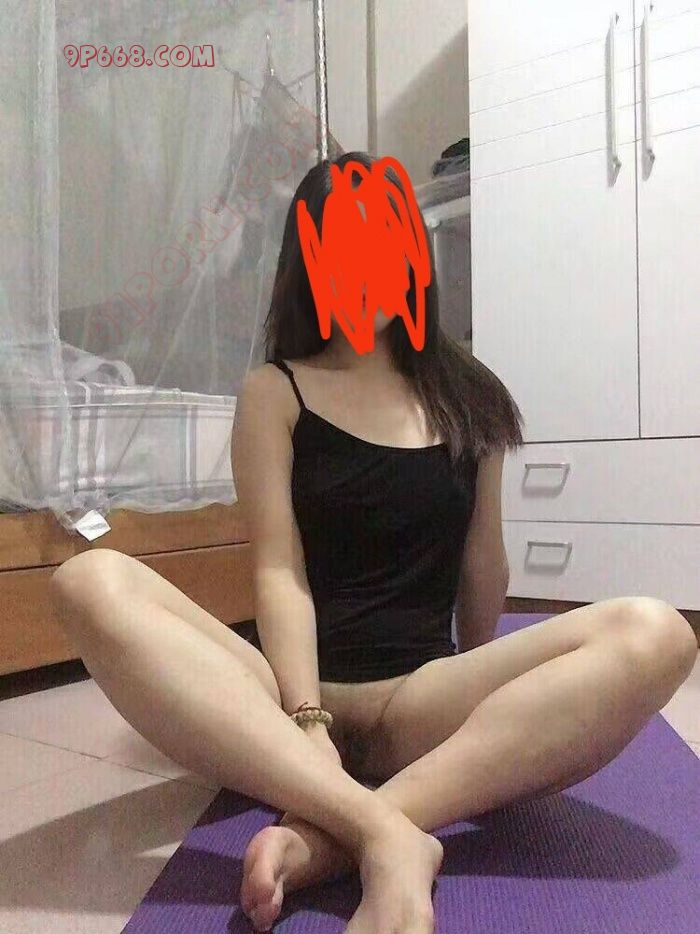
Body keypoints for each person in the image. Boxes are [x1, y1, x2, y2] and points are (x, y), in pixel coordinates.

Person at [50, 152, 697, 934]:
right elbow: (279, 570)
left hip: (417, 698)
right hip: (281, 702)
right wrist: (307, 721)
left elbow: (483, 566)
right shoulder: (275, 391)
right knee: (90, 580)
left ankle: (336, 838)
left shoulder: (471, 396)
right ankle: (384, 832)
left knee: (659, 632)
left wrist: (491, 705)